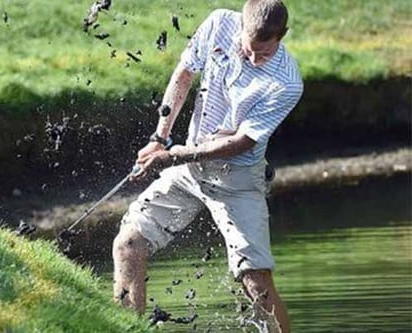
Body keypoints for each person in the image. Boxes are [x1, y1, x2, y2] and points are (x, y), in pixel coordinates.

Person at [112, 0, 302, 332]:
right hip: (189, 168)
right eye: (249, 49)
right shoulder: (218, 24)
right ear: (240, 27)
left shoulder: (286, 83)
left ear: (281, 37)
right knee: (128, 244)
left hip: (238, 180)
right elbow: (184, 74)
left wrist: (172, 156)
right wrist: (160, 137)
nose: (254, 59)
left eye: (265, 54)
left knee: (256, 281)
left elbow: (241, 143)